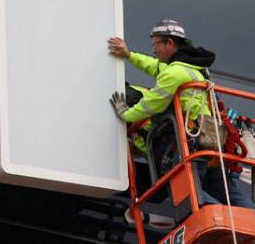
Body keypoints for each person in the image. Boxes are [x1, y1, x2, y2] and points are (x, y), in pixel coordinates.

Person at [108, 19, 254, 209]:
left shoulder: (175, 72)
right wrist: (129, 55)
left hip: (192, 143)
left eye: (156, 44)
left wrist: (126, 114)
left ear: (170, 43)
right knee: (229, 195)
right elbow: (154, 67)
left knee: (189, 195)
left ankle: (223, 217)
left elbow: (152, 104)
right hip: (209, 143)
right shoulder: (191, 66)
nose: (153, 50)